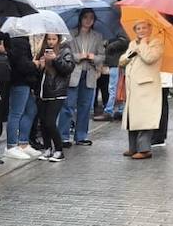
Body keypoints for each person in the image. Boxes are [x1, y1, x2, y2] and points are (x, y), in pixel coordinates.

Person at [121, 19, 164, 158]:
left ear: (150, 29)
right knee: (133, 118)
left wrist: (144, 44)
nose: (141, 31)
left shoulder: (156, 43)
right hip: (133, 87)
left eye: (144, 28)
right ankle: (133, 147)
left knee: (145, 118)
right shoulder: (133, 43)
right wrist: (130, 53)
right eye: (138, 29)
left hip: (146, 87)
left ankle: (145, 149)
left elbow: (149, 58)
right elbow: (122, 60)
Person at [63, 10, 104, 146]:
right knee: (68, 106)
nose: (88, 20)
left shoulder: (97, 36)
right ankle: (64, 136)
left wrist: (93, 58)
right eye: (85, 17)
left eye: (91, 18)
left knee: (85, 107)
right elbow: (65, 52)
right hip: (74, 73)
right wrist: (77, 56)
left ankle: (81, 136)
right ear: (80, 19)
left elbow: (102, 56)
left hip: (89, 74)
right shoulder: (71, 34)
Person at [33, 33, 74, 162]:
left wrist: (55, 59)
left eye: (54, 39)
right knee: (44, 123)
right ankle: (47, 149)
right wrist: (40, 65)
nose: (51, 42)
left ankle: (59, 149)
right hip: (42, 92)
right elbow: (39, 74)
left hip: (57, 91)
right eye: (49, 39)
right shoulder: (42, 51)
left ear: (58, 39)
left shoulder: (65, 50)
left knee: (50, 122)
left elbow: (68, 69)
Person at [3, 32, 39, 160]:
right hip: (19, 81)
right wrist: (35, 64)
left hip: (25, 81)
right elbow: (22, 63)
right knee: (16, 113)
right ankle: (11, 145)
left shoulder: (22, 40)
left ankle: (23, 143)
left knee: (31, 110)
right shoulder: (18, 41)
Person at [95, 34, 129, 121]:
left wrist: (108, 44)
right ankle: (120, 110)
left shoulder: (119, 34)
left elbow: (124, 42)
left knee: (113, 89)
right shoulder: (118, 32)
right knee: (119, 88)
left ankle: (109, 111)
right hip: (116, 63)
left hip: (116, 63)